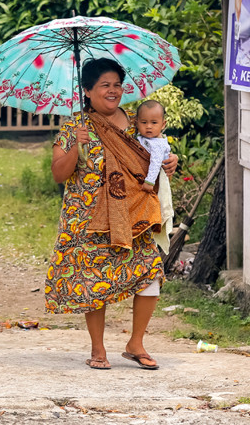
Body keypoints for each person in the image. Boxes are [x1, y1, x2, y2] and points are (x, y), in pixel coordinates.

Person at [45, 58, 178, 371]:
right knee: (93, 282)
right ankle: (98, 348)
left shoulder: (138, 124)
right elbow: (58, 174)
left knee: (149, 272)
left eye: (117, 84)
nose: (113, 90)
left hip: (132, 216)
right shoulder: (73, 128)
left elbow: (154, 159)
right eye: (104, 85)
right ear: (88, 91)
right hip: (87, 219)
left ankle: (136, 343)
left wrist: (169, 164)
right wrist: (77, 147)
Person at [135, 99, 175, 254]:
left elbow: (156, 162)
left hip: (155, 180)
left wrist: (149, 181)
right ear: (137, 122)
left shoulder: (157, 143)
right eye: (144, 122)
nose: (149, 126)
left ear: (163, 125)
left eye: (154, 122)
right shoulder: (143, 138)